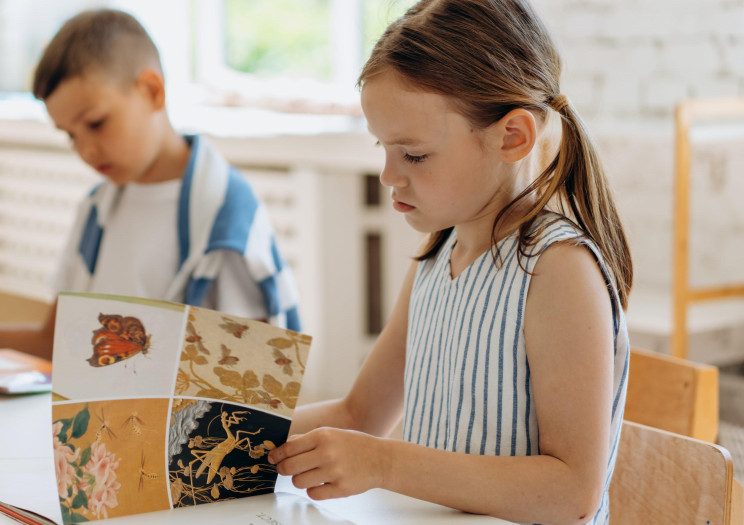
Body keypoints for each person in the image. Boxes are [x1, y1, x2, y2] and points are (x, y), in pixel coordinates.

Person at [267, 1, 632, 524]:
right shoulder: (438, 255)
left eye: (414, 155)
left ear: (512, 137)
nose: (388, 175)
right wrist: (227, 435)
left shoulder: (559, 270)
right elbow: (359, 413)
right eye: (383, 148)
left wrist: (385, 463)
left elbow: (573, 492)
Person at [0, 9, 300, 359]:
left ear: (152, 91)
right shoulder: (98, 209)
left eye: (96, 123)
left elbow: (250, 378)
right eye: (70, 135)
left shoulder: (226, 224)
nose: (85, 149)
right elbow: (54, 342)